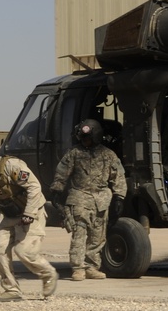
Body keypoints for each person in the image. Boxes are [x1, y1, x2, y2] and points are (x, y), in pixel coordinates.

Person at [0, 140, 59, 302]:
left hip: (32, 212)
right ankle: (11, 289)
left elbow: (34, 187)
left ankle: (48, 274)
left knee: (24, 251)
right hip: (11, 215)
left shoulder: (12, 166)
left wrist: (29, 213)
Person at [48, 119, 127, 281]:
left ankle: (92, 266)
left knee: (97, 236)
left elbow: (118, 176)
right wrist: (57, 191)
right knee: (79, 234)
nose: (85, 141)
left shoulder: (108, 155)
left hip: (101, 200)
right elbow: (62, 173)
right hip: (80, 198)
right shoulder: (74, 153)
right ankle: (78, 268)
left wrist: (119, 197)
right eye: (83, 138)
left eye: (88, 138)